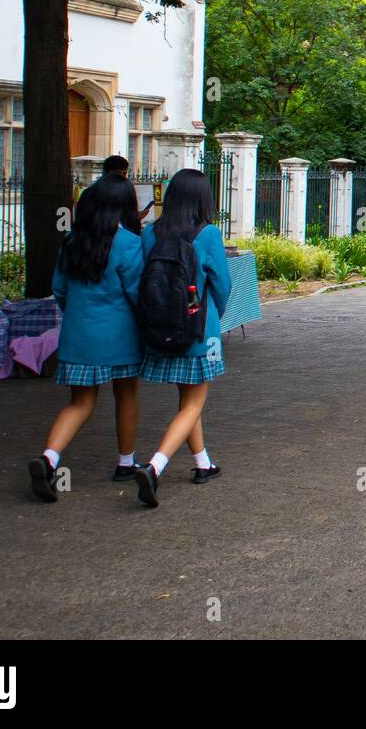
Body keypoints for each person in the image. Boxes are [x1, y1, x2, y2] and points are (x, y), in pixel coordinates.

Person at [29, 173, 145, 502]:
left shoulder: (71, 241)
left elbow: (59, 290)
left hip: (78, 336)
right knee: (126, 395)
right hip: (121, 337)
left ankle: (49, 458)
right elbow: (136, 292)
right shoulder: (129, 244)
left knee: (80, 403)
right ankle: (126, 462)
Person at [132, 168, 232, 508]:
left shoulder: (151, 232)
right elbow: (222, 285)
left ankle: (203, 463)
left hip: (159, 329)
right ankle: (155, 465)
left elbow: (139, 281)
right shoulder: (208, 234)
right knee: (193, 404)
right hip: (198, 331)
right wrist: (212, 316)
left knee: (188, 401)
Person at [102, 153, 154, 227]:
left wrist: (135, 218)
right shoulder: (93, 193)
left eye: (124, 174)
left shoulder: (126, 190)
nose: (121, 177)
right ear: (105, 173)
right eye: (117, 174)